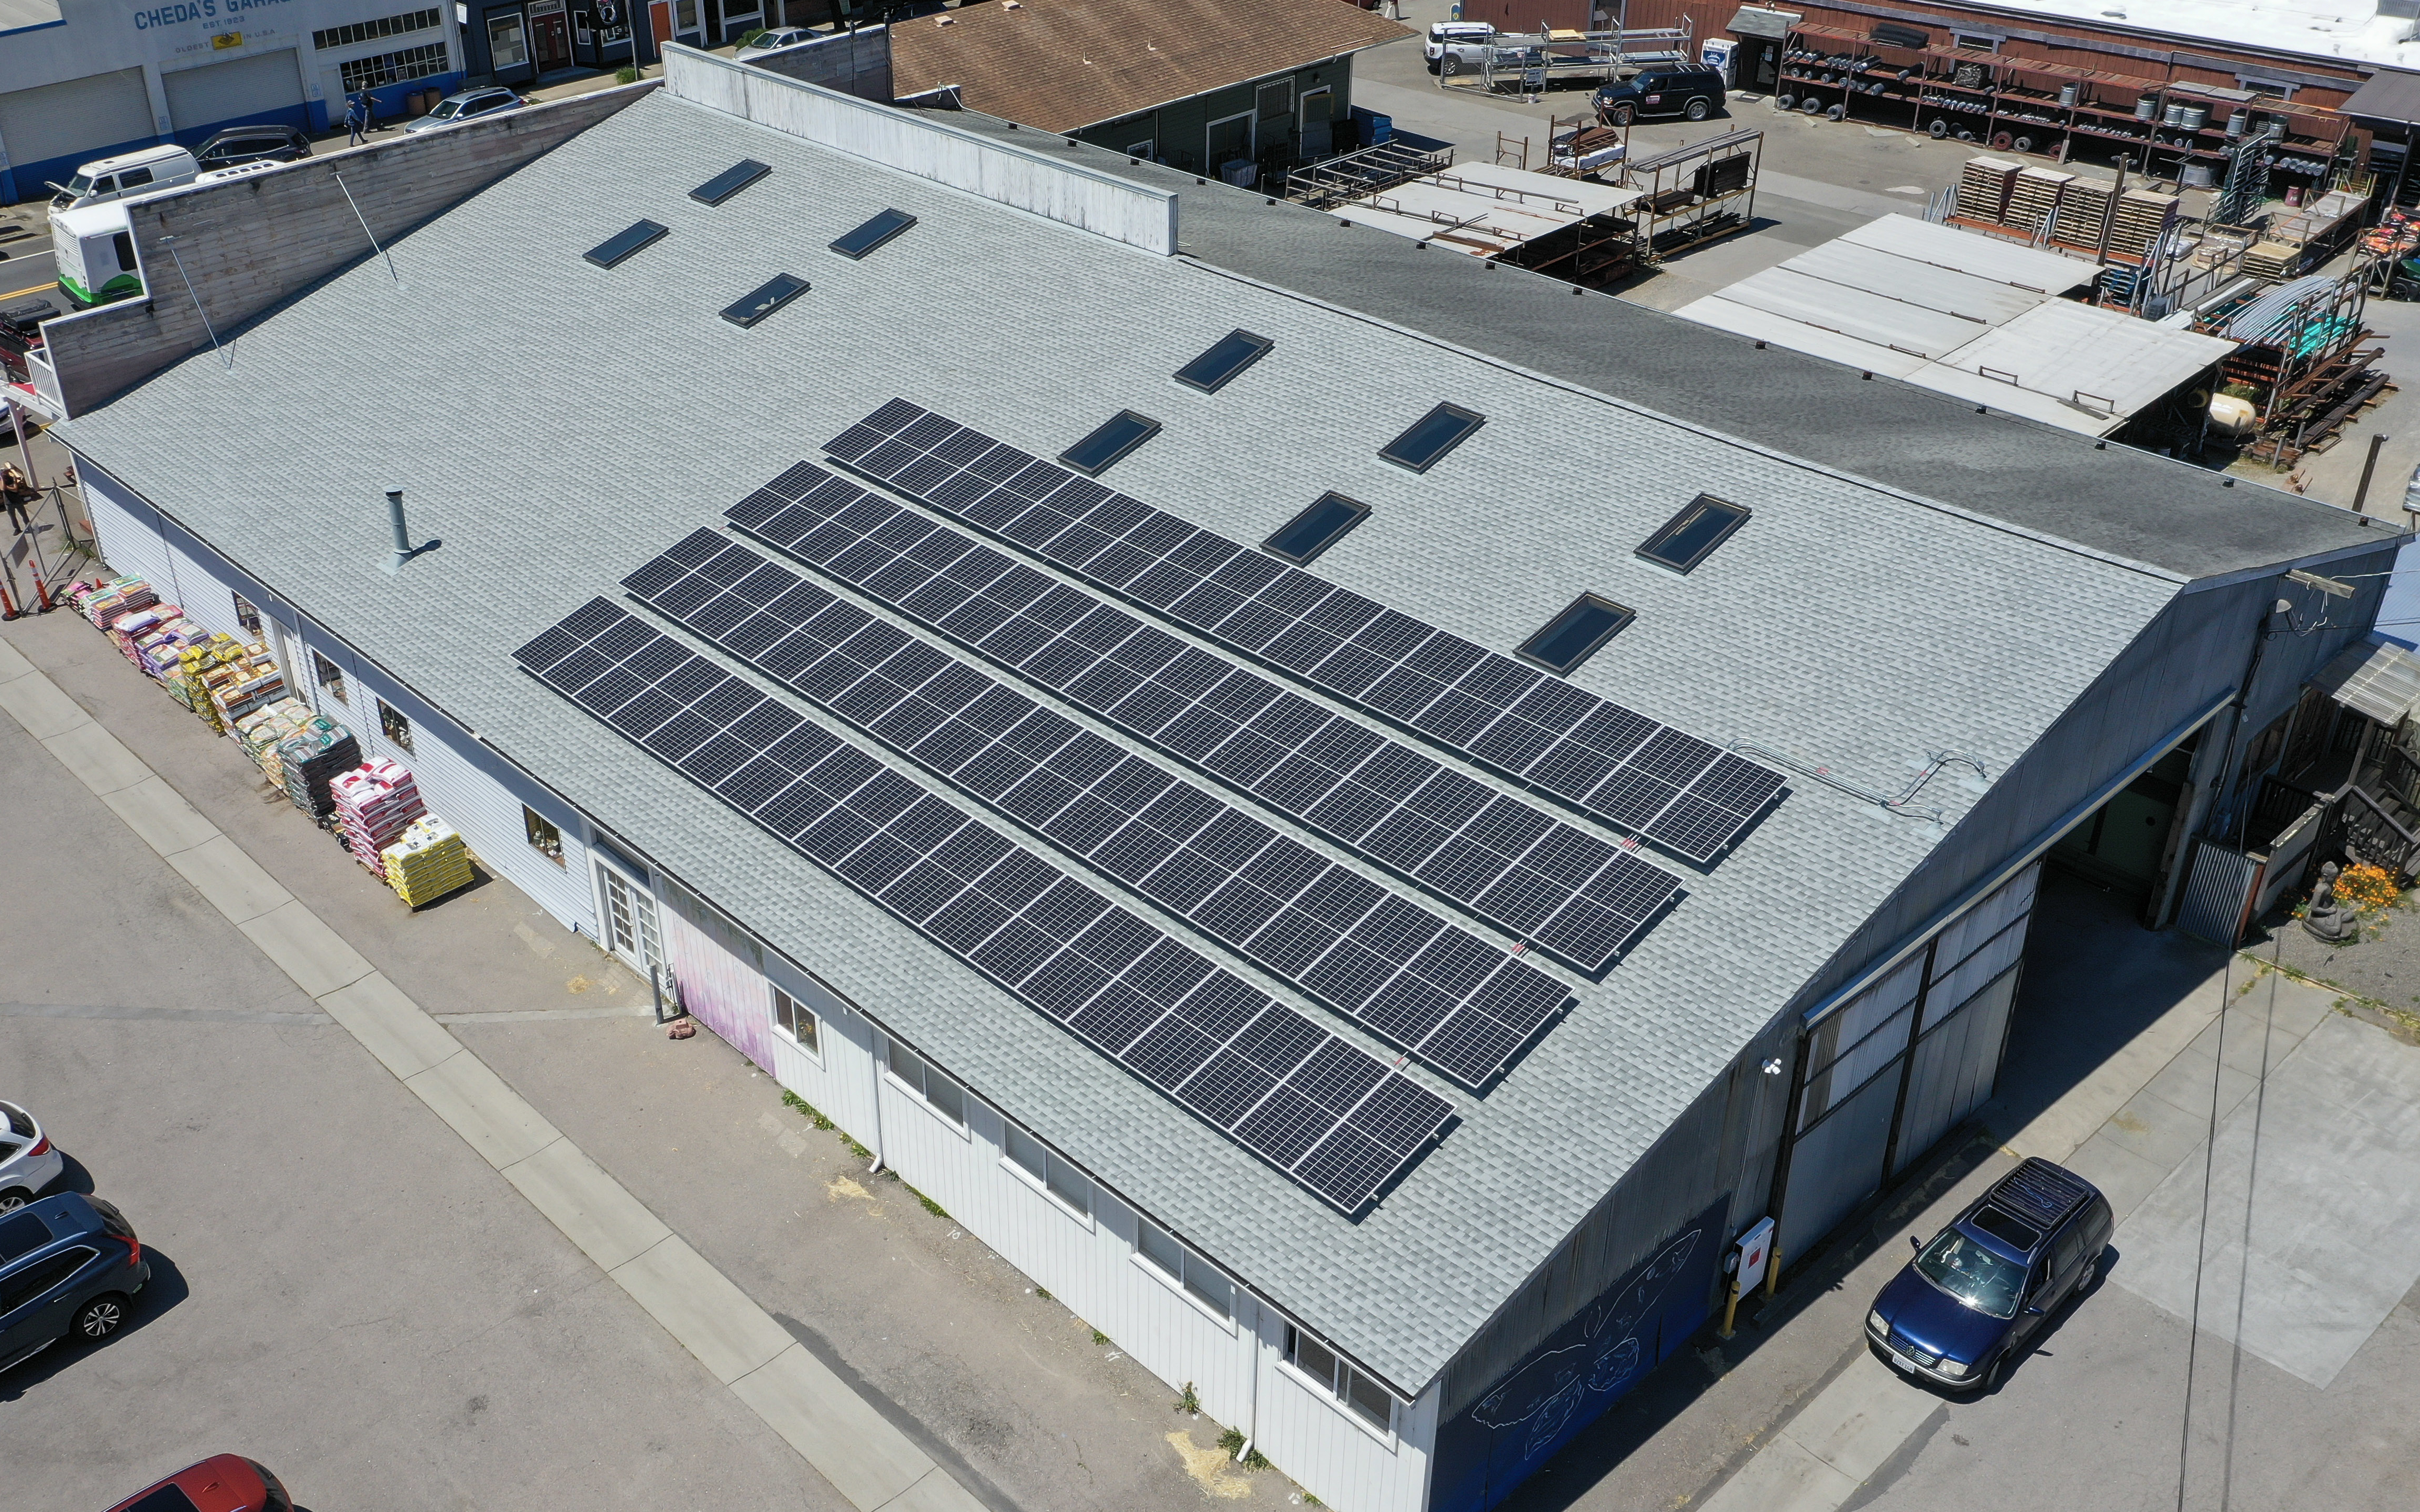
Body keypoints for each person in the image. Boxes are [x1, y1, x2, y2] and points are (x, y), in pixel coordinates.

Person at [2, 461, 34, 533]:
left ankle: (28, 527)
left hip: (17, 501)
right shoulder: (2, 481)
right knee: (13, 517)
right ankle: (17, 529)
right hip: (8, 503)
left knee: (24, 515)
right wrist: (3, 481)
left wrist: (7, 487)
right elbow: (3, 489)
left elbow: (16, 489)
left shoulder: (14, 478)